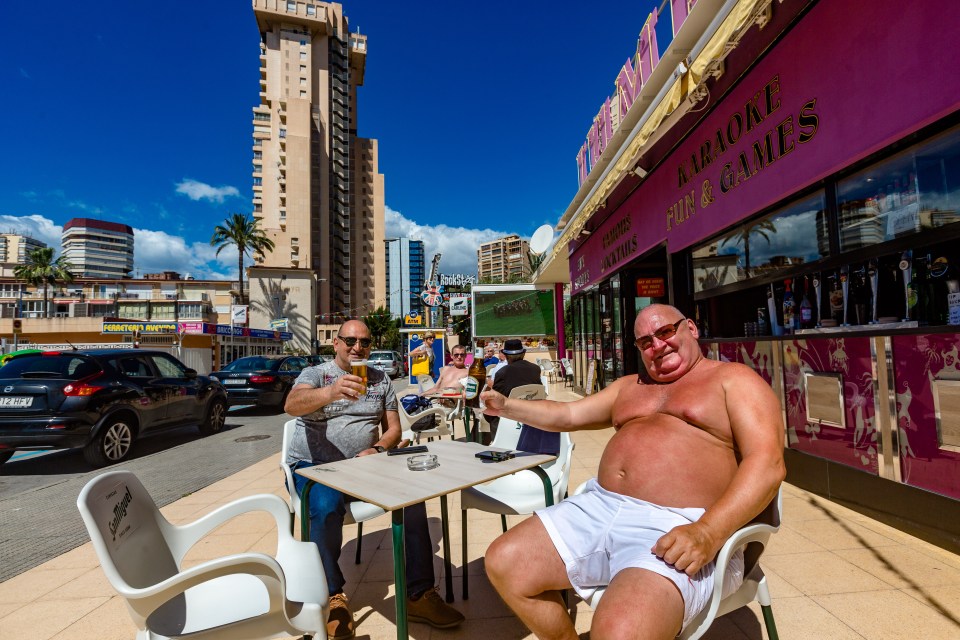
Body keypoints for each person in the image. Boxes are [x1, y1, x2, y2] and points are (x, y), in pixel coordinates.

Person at [480, 304, 785, 639]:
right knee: (505, 561)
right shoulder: (629, 387)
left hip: (678, 523)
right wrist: (506, 406)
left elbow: (767, 464)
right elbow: (566, 415)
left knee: (620, 632)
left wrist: (707, 533)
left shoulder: (733, 380)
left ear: (691, 329)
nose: (657, 345)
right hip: (599, 507)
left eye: (665, 332)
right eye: (645, 342)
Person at [284, 320, 464, 639]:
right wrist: (331, 390)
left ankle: (418, 595)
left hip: (363, 467)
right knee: (325, 504)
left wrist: (378, 448)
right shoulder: (316, 374)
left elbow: (393, 428)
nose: (358, 348)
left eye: (364, 342)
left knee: (413, 494)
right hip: (317, 466)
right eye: (350, 341)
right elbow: (291, 405)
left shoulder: (379, 379)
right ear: (336, 344)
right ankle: (331, 597)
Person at [483, 338, 543, 438]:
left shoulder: (502, 372)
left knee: (490, 409)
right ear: (523, 354)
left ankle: (495, 441)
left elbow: (496, 397)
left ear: (506, 356)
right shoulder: (535, 369)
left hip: (510, 416)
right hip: (532, 413)